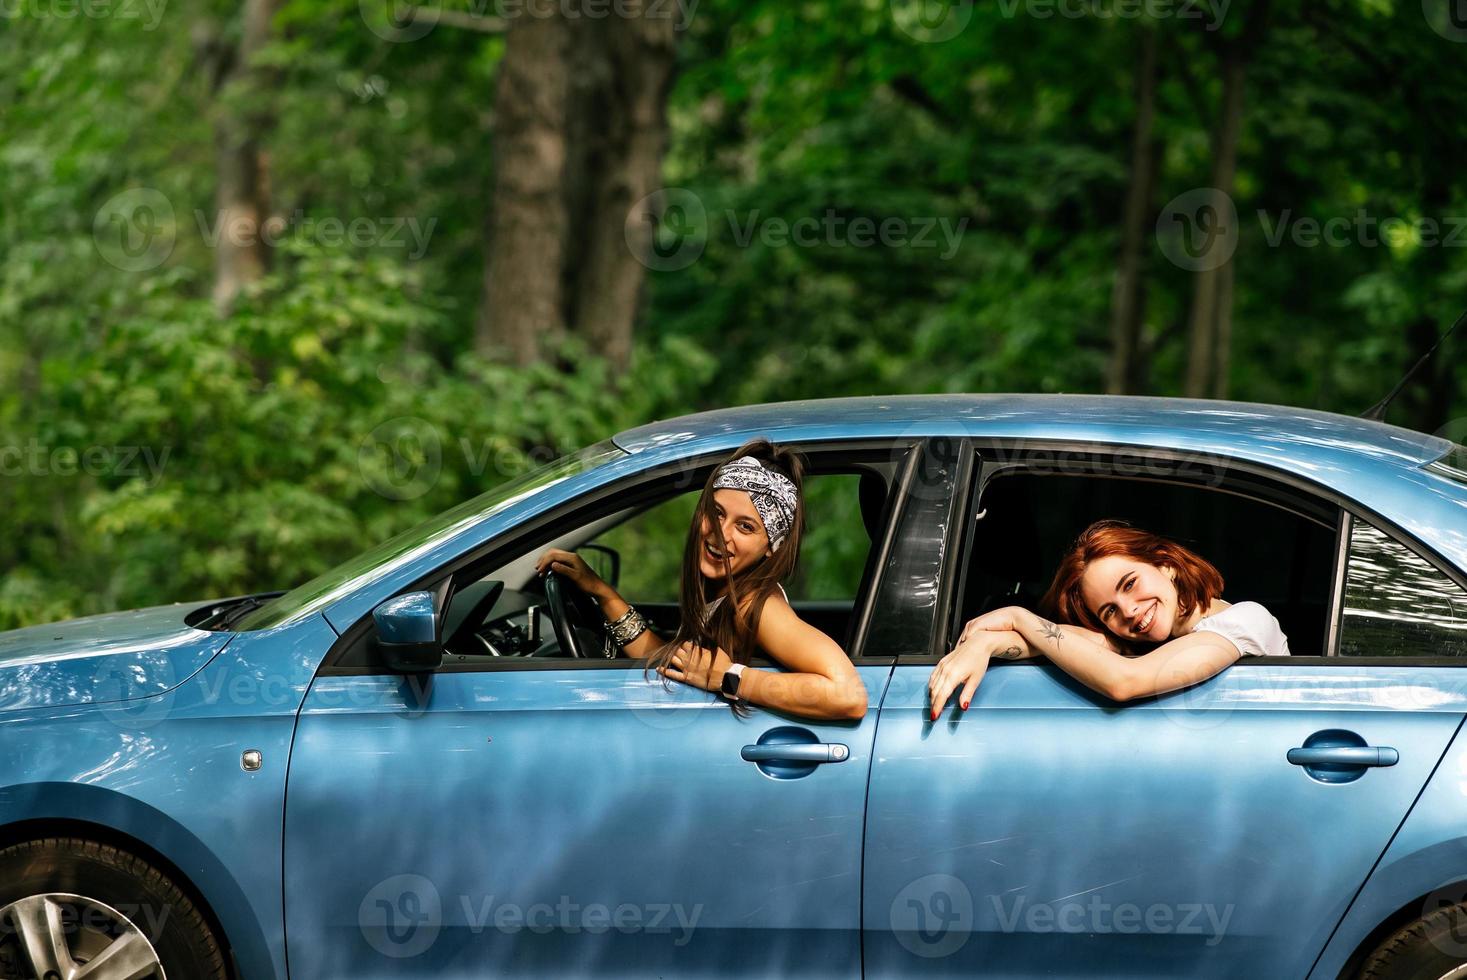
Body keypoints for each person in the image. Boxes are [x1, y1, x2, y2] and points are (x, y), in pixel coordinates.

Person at [535, 439, 867, 721]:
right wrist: (603, 593)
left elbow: (847, 695)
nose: (722, 535)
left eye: (745, 527)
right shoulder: (726, 593)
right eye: (717, 513)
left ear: (771, 548)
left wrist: (729, 677)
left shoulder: (756, 607)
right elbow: (676, 662)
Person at [928, 520, 1290, 718]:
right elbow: (1065, 641)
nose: (1129, 611)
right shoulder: (1139, 642)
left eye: (1130, 584)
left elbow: (1124, 682)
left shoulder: (1246, 620)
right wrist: (985, 642)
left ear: (1165, 563)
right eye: (1109, 612)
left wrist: (1018, 617)